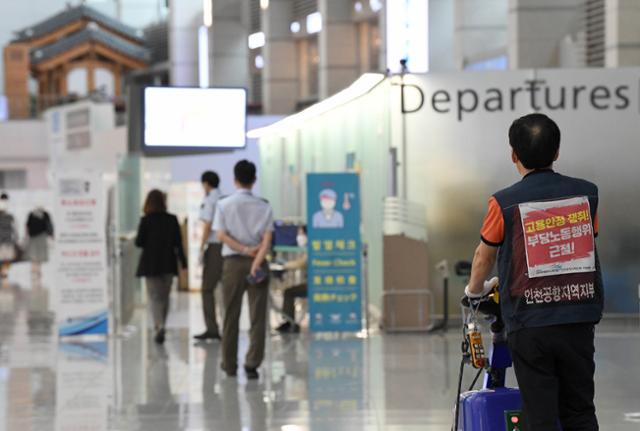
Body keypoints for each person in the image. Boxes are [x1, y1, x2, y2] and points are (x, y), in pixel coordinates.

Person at [464, 113, 603, 431]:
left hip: (530, 322)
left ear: (514, 155)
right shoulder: (587, 195)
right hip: (577, 318)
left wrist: (474, 291)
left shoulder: (503, 202)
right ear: (556, 152)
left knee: (539, 414)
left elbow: (483, 257)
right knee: (580, 410)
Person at [214, 160, 273, 380]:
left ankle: (229, 364)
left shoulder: (224, 205)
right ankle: (252, 363)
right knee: (258, 316)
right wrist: (256, 259)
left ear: (235, 179)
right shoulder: (265, 206)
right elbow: (266, 241)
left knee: (230, 314)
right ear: (254, 180)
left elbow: (221, 236)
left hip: (233, 264)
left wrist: (243, 249)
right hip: (258, 263)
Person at [135, 190, 187, 344]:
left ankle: (159, 326)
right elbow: (178, 243)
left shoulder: (145, 220)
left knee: (154, 297)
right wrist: (184, 264)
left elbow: (139, 242)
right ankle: (161, 324)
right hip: (168, 264)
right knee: (164, 297)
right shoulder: (172, 220)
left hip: (151, 264)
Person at [194, 171, 223, 341]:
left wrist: (202, 246)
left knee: (207, 288)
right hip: (226, 247)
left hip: (214, 246)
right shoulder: (223, 198)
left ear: (206, 184)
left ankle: (212, 328)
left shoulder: (210, 199)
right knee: (224, 288)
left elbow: (208, 224)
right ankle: (224, 325)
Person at [275, 226, 308, 334]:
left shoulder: (313, 246)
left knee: (289, 292)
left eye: (300, 233)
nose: (299, 237)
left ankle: (289, 323)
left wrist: (284, 265)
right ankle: (289, 321)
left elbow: (301, 263)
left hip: (315, 286)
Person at [26, 207, 54, 278]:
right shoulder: (41, 214)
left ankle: (35, 269)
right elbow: (49, 225)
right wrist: (51, 235)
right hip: (38, 236)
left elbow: (27, 226)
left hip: (37, 236)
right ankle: (36, 270)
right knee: (38, 253)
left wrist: (26, 235)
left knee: (35, 253)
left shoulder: (34, 214)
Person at [0, 193, 18, 279]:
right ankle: (4, 271)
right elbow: (15, 227)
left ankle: (4, 271)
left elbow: (14, 227)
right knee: (6, 257)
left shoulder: (10, 215)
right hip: (7, 239)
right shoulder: (10, 215)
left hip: (6, 240)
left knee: (6, 257)